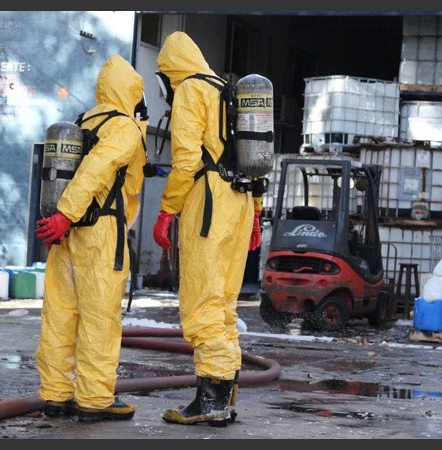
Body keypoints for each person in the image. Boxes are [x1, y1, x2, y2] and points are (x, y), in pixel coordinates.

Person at [152, 31, 263, 427]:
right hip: (243, 200)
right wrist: (258, 214)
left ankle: (210, 400)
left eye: (163, 78)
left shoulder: (190, 91)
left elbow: (184, 161)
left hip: (210, 203)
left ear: (170, 72)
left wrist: (167, 211)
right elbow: (253, 158)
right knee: (225, 304)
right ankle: (225, 396)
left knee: (204, 304)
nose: (164, 88)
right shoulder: (229, 91)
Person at [34, 54, 148, 422]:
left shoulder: (81, 122)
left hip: (64, 234)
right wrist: (67, 213)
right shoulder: (124, 128)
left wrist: (62, 218)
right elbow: (98, 170)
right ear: (129, 90)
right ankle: (95, 400)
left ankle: (55, 395)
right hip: (97, 233)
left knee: (60, 316)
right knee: (99, 318)